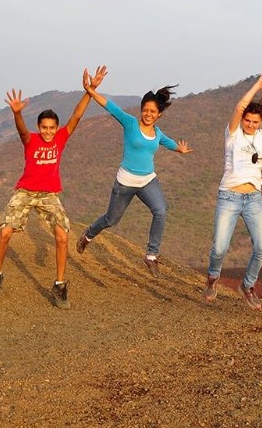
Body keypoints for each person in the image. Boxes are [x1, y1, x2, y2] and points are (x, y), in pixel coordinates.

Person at [0, 66, 108, 309]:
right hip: (25, 192)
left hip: (49, 195)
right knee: (5, 232)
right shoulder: (31, 140)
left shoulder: (61, 137)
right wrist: (17, 114)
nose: (49, 132)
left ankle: (60, 285)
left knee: (62, 235)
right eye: (45, 127)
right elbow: (21, 130)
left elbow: (76, 116)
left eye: (52, 127)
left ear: (56, 127)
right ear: (39, 127)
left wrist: (90, 90)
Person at [75, 74, 192, 278]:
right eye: (145, 110)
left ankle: (151, 256)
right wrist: (91, 90)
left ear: (159, 115)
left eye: (152, 111)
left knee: (161, 211)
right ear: (141, 111)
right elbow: (109, 106)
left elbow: (168, 142)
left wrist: (179, 150)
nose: (148, 114)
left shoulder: (157, 133)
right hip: (125, 181)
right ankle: (88, 235)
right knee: (111, 219)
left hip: (147, 181)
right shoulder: (130, 123)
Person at [203, 71, 262, 308]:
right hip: (229, 196)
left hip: (253, 197)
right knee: (220, 247)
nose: (251, 125)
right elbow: (239, 105)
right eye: (248, 121)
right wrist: (256, 85)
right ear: (242, 120)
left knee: (261, 248)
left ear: (260, 122)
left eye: (255, 122)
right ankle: (212, 278)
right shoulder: (232, 134)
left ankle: (247, 285)